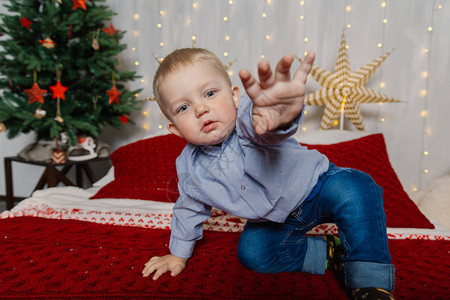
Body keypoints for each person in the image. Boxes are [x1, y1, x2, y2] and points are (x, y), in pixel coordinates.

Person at [142, 48, 395, 299]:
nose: (200, 109)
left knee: (355, 187)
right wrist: (178, 253)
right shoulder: (190, 167)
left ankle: (371, 284)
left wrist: (279, 117)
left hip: (318, 187)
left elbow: (266, 128)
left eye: (209, 93)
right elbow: (189, 209)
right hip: (275, 219)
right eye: (184, 107)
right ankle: (329, 252)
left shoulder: (249, 121)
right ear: (175, 130)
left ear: (235, 96)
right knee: (253, 254)